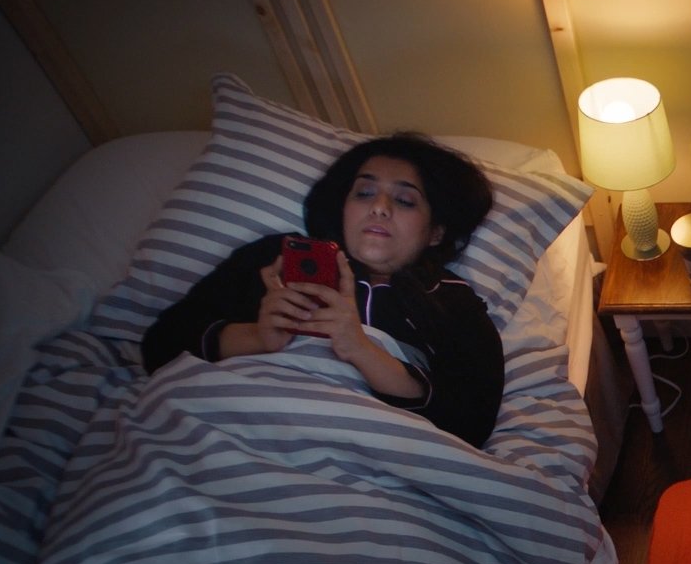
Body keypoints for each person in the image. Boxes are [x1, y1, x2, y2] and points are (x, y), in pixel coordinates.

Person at [142, 133, 504, 448]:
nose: (379, 208)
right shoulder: (276, 260)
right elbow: (159, 347)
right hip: (230, 432)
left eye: (405, 200)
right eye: (364, 193)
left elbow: (472, 425)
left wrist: (361, 350)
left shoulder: (453, 301)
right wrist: (257, 336)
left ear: (436, 232)